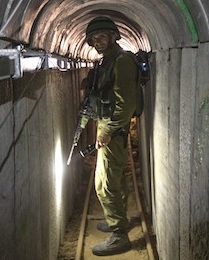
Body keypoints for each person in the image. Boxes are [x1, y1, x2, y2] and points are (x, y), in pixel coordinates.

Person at [84, 16, 138, 256]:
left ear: (113, 36)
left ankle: (118, 235)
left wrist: (107, 130)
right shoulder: (108, 61)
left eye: (102, 37)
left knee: (104, 184)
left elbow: (126, 105)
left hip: (113, 129)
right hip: (108, 126)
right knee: (113, 178)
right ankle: (118, 220)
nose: (97, 42)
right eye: (94, 39)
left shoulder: (122, 61)